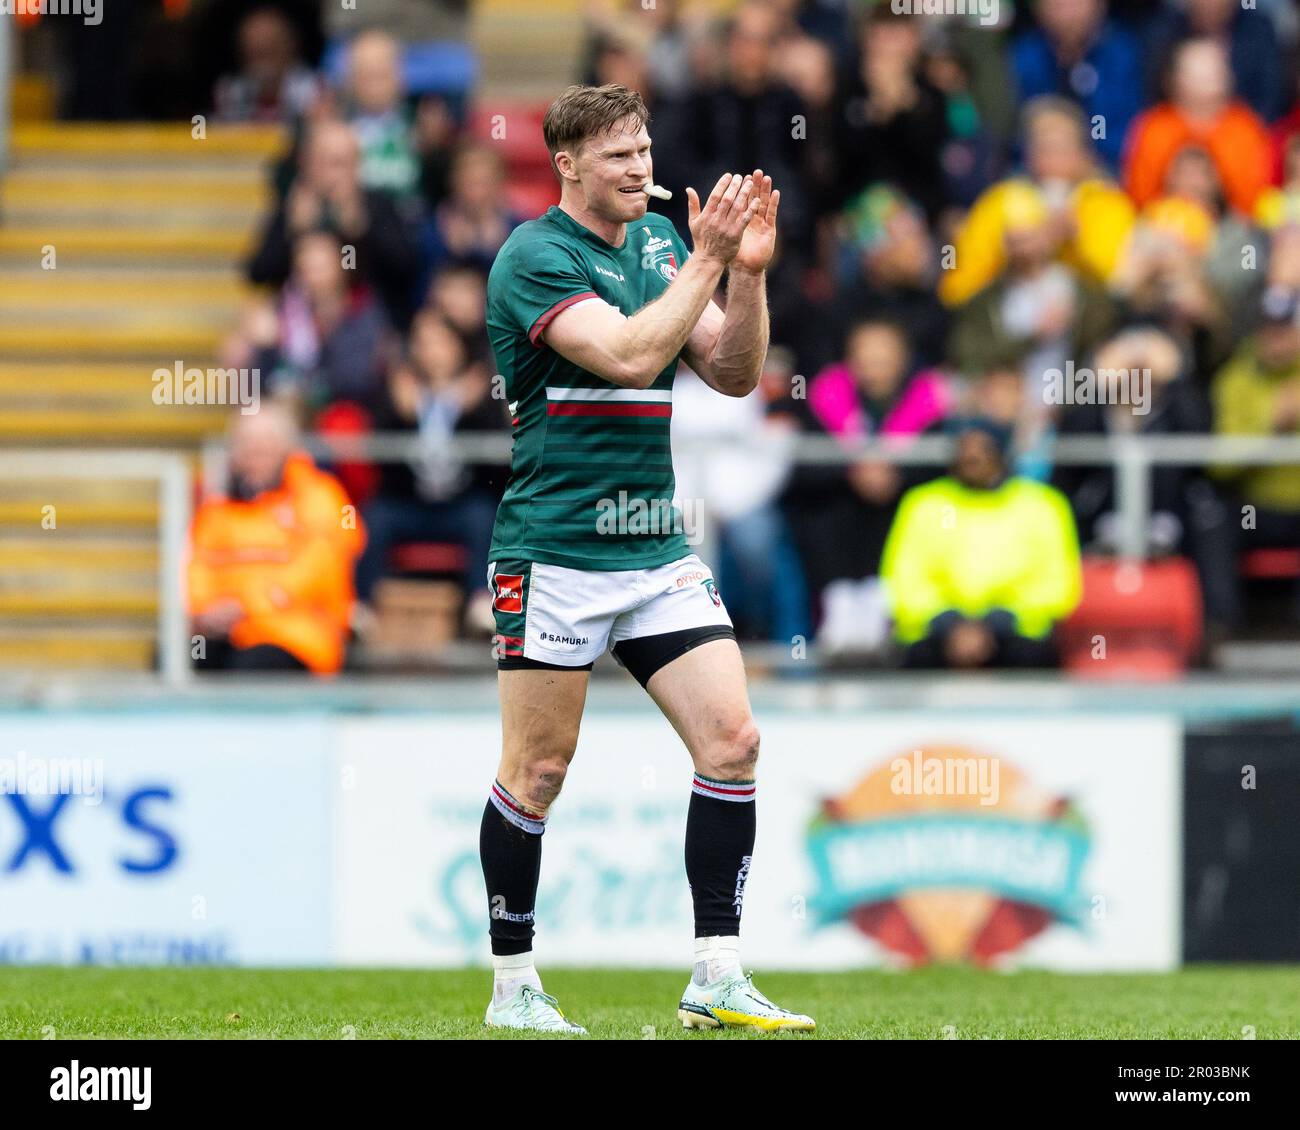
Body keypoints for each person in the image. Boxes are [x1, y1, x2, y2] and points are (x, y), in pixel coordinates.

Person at [477, 83, 813, 1033]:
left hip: (653, 542)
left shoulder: (667, 244)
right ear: (569, 165)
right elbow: (627, 354)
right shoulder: (534, 257)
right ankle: (514, 988)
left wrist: (743, 275)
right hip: (556, 550)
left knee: (734, 741)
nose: (642, 169)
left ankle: (716, 971)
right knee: (538, 771)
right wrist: (705, 263)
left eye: (647, 150)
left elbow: (736, 374)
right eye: (619, 156)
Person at [880, 421, 1082, 669]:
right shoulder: (924, 503)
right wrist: (949, 623)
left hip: (1016, 635)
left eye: (982, 449)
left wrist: (998, 622)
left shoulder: (1042, 505)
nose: (971, 457)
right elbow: (903, 579)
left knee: (1032, 656)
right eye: (964, 449)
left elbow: (1058, 583)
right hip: (937, 635)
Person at [188, 406, 365, 676]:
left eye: (264, 445)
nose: (255, 456)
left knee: (252, 671)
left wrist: (249, 604)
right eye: (247, 446)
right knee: (179, 657)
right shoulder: (217, 505)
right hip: (222, 632)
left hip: (294, 632)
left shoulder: (322, 495)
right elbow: (197, 562)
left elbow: (321, 565)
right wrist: (204, 610)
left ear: (286, 448)